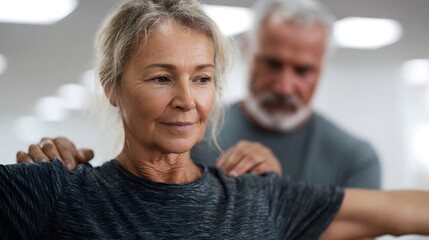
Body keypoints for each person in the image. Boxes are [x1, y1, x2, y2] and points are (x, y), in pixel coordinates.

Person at [4, 0, 429, 239]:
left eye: (202, 78)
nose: (187, 100)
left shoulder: (261, 197)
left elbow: (403, 210)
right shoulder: (54, 189)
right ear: (112, 86)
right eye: (161, 78)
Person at [18, 0, 381, 189]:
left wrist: (271, 200)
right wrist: (71, 179)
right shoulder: (185, 127)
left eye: (302, 70)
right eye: (272, 63)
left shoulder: (355, 157)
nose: (284, 85)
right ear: (248, 52)